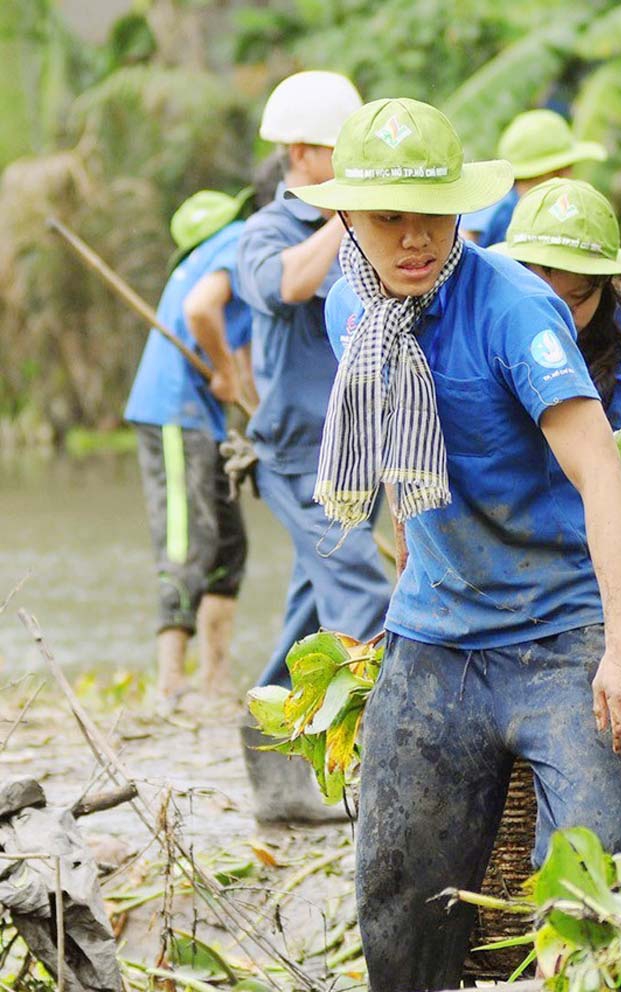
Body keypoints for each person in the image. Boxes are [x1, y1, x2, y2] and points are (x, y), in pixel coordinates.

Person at [293, 98, 621, 990]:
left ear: (464, 207)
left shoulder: (514, 310)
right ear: (348, 217)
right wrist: (405, 597)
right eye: (388, 217)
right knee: (398, 894)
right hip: (438, 635)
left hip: (561, 631)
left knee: (591, 891)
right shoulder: (351, 306)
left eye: (434, 212)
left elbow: (605, 477)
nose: (414, 238)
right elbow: (398, 459)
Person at [235, 70, 389, 824]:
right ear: (300, 154)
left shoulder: (369, 229)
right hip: (298, 456)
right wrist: (348, 215)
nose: (352, 161)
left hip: (363, 447)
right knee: (365, 596)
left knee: (311, 615)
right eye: (340, 151)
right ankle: (377, 758)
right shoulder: (267, 233)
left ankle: (266, 744)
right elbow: (290, 286)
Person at [123, 189, 254, 704]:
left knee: (228, 546)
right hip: (174, 412)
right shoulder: (237, 240)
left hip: (204, 420)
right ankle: (170, 682)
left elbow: (237, 355)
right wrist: (224, 373)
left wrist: (256, 414)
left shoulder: (207, 257)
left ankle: (214, 680)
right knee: (187, 541)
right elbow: (204, 316)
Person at [493, 177, 621, 437]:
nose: (560, 317)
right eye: (544, 300)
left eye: (577, 298)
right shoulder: (486, 331)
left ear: (605, 285)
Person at [459, 109, 606, 246]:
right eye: (563, 169)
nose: (570, 176)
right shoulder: (499, 205)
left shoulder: (549, 212)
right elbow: (464, 240)